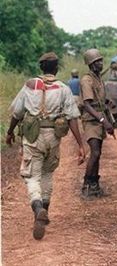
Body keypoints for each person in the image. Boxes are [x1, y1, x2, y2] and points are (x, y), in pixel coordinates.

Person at [6, 52, 85, 240]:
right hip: (53, 137)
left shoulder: (30, 85)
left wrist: (9, 133)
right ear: (56, 68)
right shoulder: (63, 88)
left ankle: (38, 207)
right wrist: (81, 145)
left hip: (33, 138)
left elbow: (17, 113)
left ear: (41, 68)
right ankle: (45, 211)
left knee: (32, 175)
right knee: (48, 174)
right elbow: (72, 118)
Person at [80, 48, 115, 199]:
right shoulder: (86, 80)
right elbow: (87, 104)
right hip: (91, 120)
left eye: (101, 60)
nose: (101, 63)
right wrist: (102, 120)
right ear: (91, 64)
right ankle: (86, 185)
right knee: (94, 152)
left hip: (100, 118)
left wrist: (108, 111)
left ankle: (95, 184)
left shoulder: (98, 78)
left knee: (98, 153)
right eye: (97, 61)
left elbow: (100, 101)